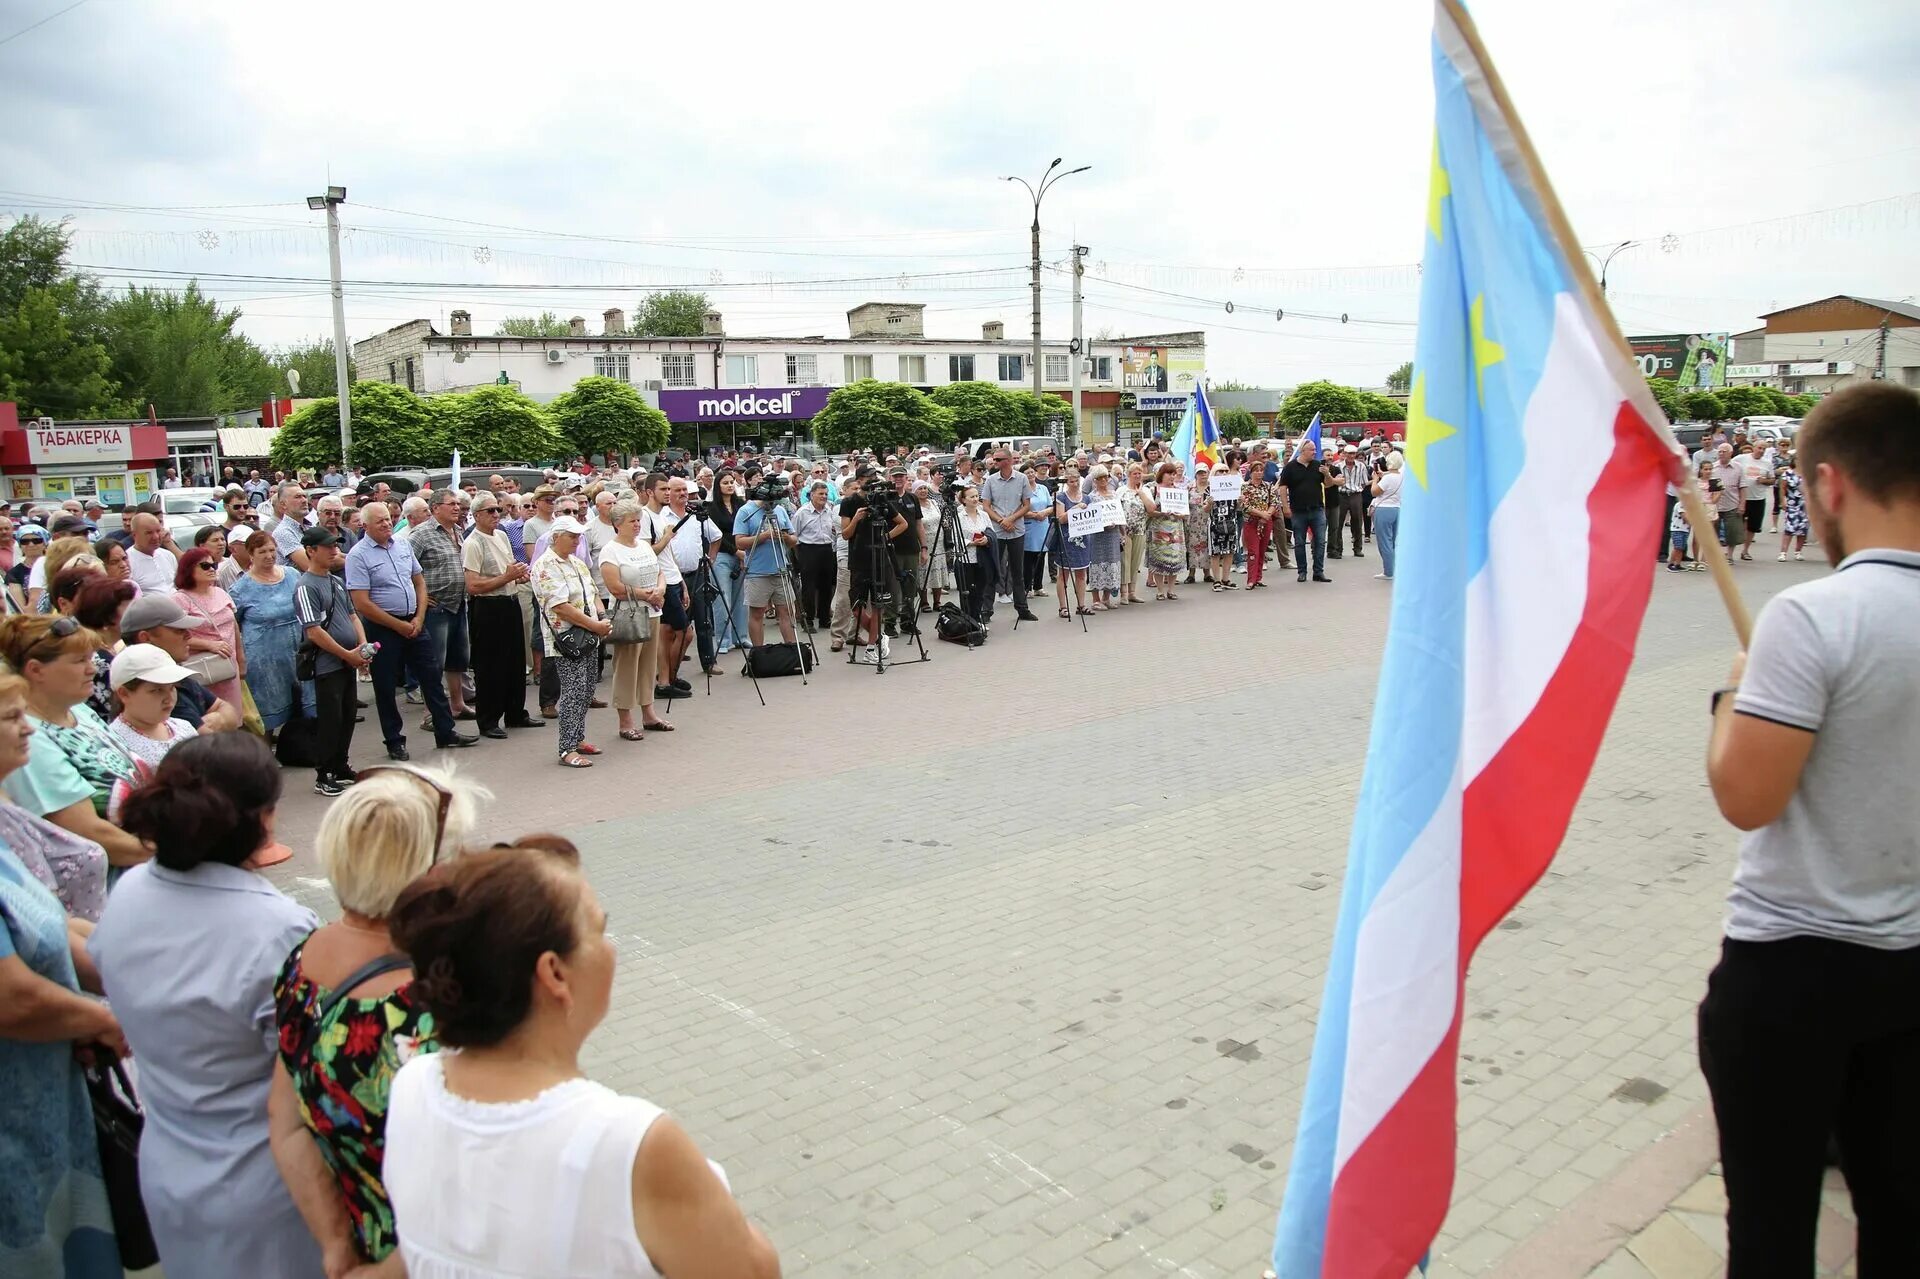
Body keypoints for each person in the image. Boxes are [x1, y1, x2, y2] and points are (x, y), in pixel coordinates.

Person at [1700, 383, 1920, 1277]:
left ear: (1829, 485)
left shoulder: (1813, 613)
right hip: (1910, 959)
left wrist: (1732, 695)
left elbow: (1747, 795)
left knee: (1771, 1224)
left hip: (1793, 967)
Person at [383, 840, 782, 1279]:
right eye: (598, 930)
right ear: (554, 973)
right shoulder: (626, 1143)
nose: (610, 948)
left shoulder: (414, 1085)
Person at [88, 734, 326, 1279]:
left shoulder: (131, 890)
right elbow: (312, 1068)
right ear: (263, 819)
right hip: (266, 1188)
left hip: (169, 1163)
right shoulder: (278, 928)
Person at [272, 765, 484, 1274]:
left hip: (363, 1239)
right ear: (428, 872)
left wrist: (336, 1246)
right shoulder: (438, 1001)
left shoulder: (303, 961)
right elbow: (480, 1195)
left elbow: (286, 1125)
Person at [0, 670, 127, 1279]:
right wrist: (104, 1018)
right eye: (9, 719)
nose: (26, 728)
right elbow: (13, 998)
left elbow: (52, 923)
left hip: (45, 1098)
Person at [0, 615, 149, 872]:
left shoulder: (78, 710)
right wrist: (176, 853)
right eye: (80, 661)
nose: (92, 668)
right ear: (36, 670)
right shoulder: (27, 739)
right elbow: (92, 833)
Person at [346, 503, 472, 761]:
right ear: (365, 525)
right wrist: (398, 625)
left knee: (432, 676)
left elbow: (419, 581)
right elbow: (362, 603)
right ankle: (394, 741)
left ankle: (445, 731)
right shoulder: (358, 555)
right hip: (384, 627)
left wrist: (418, 617)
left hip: (414, 621)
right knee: (386, 686)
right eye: (379, 521)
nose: (386, 524)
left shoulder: (402, 545)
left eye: (388, 519)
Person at [293, 528, 371, 796]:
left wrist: (361, 648)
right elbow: (313, 631)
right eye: (327, 546)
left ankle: (340, 765)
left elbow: (352, 616)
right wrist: (346, 654)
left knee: (347, 715)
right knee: (331, 719)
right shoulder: (305, 586)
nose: (334, 550)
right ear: (311, 551)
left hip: (347, 661)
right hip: (328, 665)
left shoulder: (335, 582)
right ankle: (323, 773)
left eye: (335, 545)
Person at [533, 516, 609, 769]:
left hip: (588, 635)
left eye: (579, 536)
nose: (578, 541)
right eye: (572, 536)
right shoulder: (545, 565)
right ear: (556, 537)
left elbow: (594, 593)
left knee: (586, 689)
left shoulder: (577, 562)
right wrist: (595, 624)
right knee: (573, 692)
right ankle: (566, 748)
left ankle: (577, 738)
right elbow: (561, 607)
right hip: (567, 638)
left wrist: (602, 616)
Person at [462, 495, 536, 740]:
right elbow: (472, 585)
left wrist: (518, 575)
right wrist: (506, 577)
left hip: (510, 601)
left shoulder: (502, 535)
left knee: (515, 661)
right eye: (490, 510)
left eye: (498, 509)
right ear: (477, 515)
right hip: (488, 607)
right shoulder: (473, 543)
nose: (496, 514)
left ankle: (515, 712)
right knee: (491, 665)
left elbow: (508, 569)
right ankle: (488, 719)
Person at [117, 592, 243, 734]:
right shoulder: (148, 687)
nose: (188, 635)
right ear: (145, 638)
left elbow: (230, 713)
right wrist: (219, 717)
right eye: (178, 630)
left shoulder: (177, 676)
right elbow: (205, 740)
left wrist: (219, 718)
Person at [599, 501, 670, 743]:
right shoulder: (611, 550)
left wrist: (660, 590)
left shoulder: (643, 545)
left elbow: (659, 571)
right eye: (632, 521)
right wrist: (646, 594)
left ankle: (649, 714)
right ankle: (625, 721)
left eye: (639, 520)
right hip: (629, 615)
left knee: (649, 666)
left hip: (652, 612)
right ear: (618, 525)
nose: (638, 525)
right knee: (627, 666)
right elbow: (615, 588)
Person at [229, 528, 308, 735]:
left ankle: (298, 748)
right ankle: (263, 756)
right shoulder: (241, 588)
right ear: (251, 554)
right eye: (262, 551)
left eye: (272, 550)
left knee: (301, 704)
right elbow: (232, 625)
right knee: (267, 712)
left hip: (296, 652)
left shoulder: (292, 575)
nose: (269, 555)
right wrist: (240, 657)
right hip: (263, 659)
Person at [411, 489, 476, 723]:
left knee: (458, 659)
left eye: (458, 504)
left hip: (458, 603)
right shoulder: (421, 534)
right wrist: (419, 596)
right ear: (436, 508)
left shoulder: (458, 531)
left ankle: (457, 704)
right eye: (451, 504)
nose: (457, 508)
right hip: (435, 607)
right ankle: (431, 713)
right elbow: (405, 568)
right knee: (434, 662)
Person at [837, 468, 904, 662]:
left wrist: (884, 537)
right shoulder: (849, 502)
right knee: (856, 606)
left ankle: (872, 645)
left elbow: (902, 524)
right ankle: (878, 635)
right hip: (858, 560)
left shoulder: (881, 500)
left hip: (879, 559)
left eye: (875, 477)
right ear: (859, 480)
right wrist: (857, 519)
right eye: (869, 477)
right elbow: (845, 534)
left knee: (877, 604)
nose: (873, 481)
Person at [105, 642, 201, 771]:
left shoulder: (184, 728)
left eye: (172, 687)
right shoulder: (115, 743)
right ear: (124, 694)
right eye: (156, 690)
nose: (169, 698)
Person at [172, 544, 245, 710]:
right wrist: (210, 645)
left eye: (214, 565)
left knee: (232, 716)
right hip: (201, 669)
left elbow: (234, 626)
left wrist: (241, 659)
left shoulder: (220, 593)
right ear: (189, 569)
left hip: (229, 666)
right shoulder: (179, 599)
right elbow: (175, 636)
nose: (211, 569)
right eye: (205, 566)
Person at [736, 478, 801, 653]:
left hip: (781, 569)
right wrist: (765, 536)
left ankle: (792, 652)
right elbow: (740, 542)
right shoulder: (746, 511)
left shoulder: (779, 510)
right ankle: (759, 654)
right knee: (757, 614)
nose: (773, 503)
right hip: (757, 572)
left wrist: (786, 538)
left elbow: (794, 539)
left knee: (787, 612)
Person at [979, 449, 1040, 622]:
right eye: (994, 459)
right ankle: (986, 610)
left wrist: (1011, 519)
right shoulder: (991, 480)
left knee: (1017, 571)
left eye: (998, 459)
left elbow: (1027, 505)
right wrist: (1001, 521)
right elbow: (986, 505)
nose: (995, 461)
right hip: (997, 532)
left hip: (1016, 530)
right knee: (992, 571)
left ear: (1009, 460)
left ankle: (1022, 608)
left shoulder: (1021, 479)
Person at [707, 471, 749, 656]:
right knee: (722, 598)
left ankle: (741, 635)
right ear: (718, 486)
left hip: (741, 555)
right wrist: (735, 551)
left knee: (741, 599)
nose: (730, 485)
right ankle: (723, 640)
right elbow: (716, 536)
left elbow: (744, 530)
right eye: (725, 483)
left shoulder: (740, 505)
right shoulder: (712, 508)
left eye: (732, 482)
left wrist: (742, 553)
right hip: (723, 555)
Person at [1279, 439, 1333, 583]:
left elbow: (1328, 485)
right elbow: (1283, 487)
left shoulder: (1318, 465)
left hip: (1317, 509)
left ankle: (1318, 572)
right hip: (1298, 511)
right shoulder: (1290, 467)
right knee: (1300, 542)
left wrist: (1327, 474)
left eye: (1315, 449)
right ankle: (1302, 571)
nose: (1314, 452)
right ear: (1303, 451)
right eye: (1311, 450)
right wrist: (1285, 506)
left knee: (1320, 541)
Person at [792, 480, 838, 632]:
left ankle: (824, 618)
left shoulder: (829, 510)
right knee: (809, 587)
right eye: (820, 494)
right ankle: (808, 620)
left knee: (826, 586)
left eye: (825, 494)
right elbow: (794, 535)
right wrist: (799, 555)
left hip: (826, 549)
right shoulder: (802, 512)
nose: (823, 497)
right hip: (808, 549)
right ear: (812, 495)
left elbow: (832, 530)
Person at [883, 467, 925, 638]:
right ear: (889, 478)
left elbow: (918, 524)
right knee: (892, 588)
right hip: (892, 550)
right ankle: (890, 623)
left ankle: (908, 622)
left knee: (910, 588)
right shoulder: (885, 498)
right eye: (895, 477)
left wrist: (924, 548)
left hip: (911, 550)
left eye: (901, 476)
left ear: (907, 478)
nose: (898, 480)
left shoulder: (912, 498)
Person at [1142, 462, 1187, 601]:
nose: (1172, 477)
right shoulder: (1152, 488)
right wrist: (1161, 513)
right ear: (1162, 474)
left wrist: (1180, 515)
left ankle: (1171, 590)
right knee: (1158, 560)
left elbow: (1184, 513)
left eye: (1174, 474)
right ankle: (1160, 590)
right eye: (1169, 474)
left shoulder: (1178, 490)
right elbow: (1149, 511)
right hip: (1158, 529)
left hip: (1175, 529)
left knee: (1174, 560)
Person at [1052, 470, 1093, 617]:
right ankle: (1063, 607)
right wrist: (1075, 509)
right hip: (1067, 538)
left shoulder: (1087, 498)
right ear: (1066, 482)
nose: (1075, 484)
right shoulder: (1062, 497)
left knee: (1081, 573)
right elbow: (1060, 519)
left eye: (1077, 481)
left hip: (1083, 538)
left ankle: (1081, 605)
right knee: (1063, 574)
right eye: (1071, 481)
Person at [953, 482, 995, 622]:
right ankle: (967, 622)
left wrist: (987, 539)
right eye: (971, 497)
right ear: (964, 499)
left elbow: (992, 533)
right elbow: (955, 538)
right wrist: (971, 543)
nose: (975, 499)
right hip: (965, 559)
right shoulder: (958, 516)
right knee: (967, 593)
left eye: (977, 496)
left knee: (980, 591)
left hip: (982, 558)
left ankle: (977, 620)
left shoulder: (983, 515)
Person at [1239, 450, 1277, 590]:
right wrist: (1260, 513)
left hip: (1265, 522)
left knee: (1262, 550)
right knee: (1253, 551)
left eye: (1261, 470)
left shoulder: (1268, 486)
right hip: (1251, 522)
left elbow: (1274, 502)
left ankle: (1259, 577)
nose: (1259, 473)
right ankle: (1251, 579)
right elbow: (1244, 505)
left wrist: (1267, 514)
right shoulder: (1245, 487)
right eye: (1256, 470)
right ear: (1251, 472)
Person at [1370, 451, 1406, 580]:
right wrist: (1382, 475)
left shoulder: (1388, 478)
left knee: (1384, 541)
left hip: (1384, 509)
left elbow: (1374, 492)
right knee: (1393, 541)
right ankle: (1395, 568)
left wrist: (1375, 480)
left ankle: (1388, 571)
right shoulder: (1402, 476)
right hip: (1397, 508)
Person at [1118, 463, 1149, 604]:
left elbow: (1151, 508)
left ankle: (1132, 592)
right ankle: (1123, 593)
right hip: (1124, 531)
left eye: (1139, 473)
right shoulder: (1121, 491)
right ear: (1128, 475)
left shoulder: (1146, 490)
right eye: (1134, 474)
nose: (1137, 476)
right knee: (1125, 561)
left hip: (1140, 529)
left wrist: (1142, 494)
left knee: (1135, 561)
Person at [1709, 443, 1747, 557]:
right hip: (1715, 505)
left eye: (1724, 451)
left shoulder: (1738, 467)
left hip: (1732, 504)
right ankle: (1716, 555)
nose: (1721, 454)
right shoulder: (1713, 468)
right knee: (1713, 532)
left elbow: (1743, 487)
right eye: (1719, 451)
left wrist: (1742, 504)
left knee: (1732, 532)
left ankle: (1729, 555)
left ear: (1730, 453)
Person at [125, 511, 177, 592]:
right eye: (149, 533)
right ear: (134, 535)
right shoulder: (127, 562)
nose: (155, 537)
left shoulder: (168, 555)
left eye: (158, 531)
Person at [1335, 444, 1370, 557]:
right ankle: (1338, 549)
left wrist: (1357, 490)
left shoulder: (1361, 466)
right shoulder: (1338, 466)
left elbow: (1364, 482)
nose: (1351, 456)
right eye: (1348, 453)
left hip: (1356, 494)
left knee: (1357, 522)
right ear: (1344, 454)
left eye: (1353, 453)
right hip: (1341, 494)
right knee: (1338, 523)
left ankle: (1357, 548)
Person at [1776, 456, 1810, 561]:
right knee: (1789, 528)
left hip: (1805, 504)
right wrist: (1783, 501)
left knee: (1803, 529)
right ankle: (1783, 553)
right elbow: (1782, 488)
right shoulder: (1788, 473)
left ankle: (1798, 551)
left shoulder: (1808, 473)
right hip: (1792, 502)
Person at [1184, 464, 1213, 584]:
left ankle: (1207, 573)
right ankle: (1191, 573)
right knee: (1192, 547)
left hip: (1208, 520)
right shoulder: (1189, 487)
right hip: (1193, 522)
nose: (1203, 475)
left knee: (1207, 546)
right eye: (1200, 473)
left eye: (1205, 472)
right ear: (1196, 474)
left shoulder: (1212, 487)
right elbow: (1183, 503)